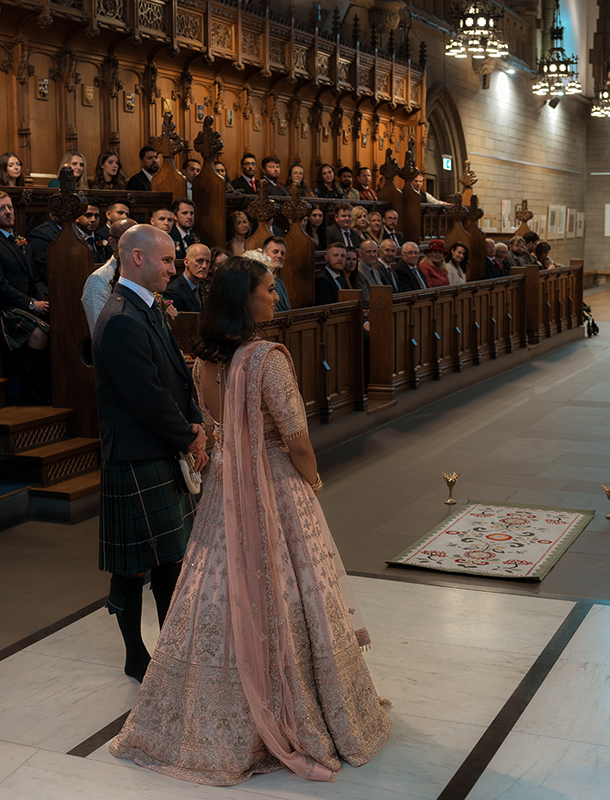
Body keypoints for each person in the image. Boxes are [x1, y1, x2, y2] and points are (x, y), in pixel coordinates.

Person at [108, 255, 392, 784]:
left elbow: (214, 429)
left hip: (225, 487)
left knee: (215, 586)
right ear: (245, 299)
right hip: (274, 484)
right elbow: (297, 436)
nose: (276, 297)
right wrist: (312, 480)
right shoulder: (266, 358)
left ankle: (202, 711)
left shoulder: (203, 362)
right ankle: (304, 706)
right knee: (292, 589)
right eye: (268, 289)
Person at [92, 223, 208, 683]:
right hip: (136, 454)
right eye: (165, 260)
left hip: (156, 445)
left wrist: (194, 417)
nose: (172, 269)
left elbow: (175, 373)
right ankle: (136, 655)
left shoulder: (147, 307)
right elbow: (146, 396)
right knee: (133, 566)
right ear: (137, 258)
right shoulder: (120, 317)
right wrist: (189, 437)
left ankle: (171, 644)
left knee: (167, 559)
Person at [0, 192, 50, 403]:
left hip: (27, 303)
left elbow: (35, 278)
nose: (8, 212)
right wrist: (31, 304)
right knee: (39, 333)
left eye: (10, 207)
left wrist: (45, 300)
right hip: (1, 307)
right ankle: (26, 386)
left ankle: (48, 384)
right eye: (2, 208)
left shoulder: (19, 239)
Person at [82, 218, 138, 335]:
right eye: (129, 241)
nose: (137, 247)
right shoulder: (98, 279)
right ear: (113, 243)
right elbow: (100, 331)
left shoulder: (143, 273)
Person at [164, 242, 210, 314]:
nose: (205, 266)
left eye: (207, 262)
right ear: (186, 262)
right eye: (200, 261)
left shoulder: (200, 287)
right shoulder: (173, 292)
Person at [261, 236, 291, 312]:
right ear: (263, 253)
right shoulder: (259, 282)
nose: (280, 256)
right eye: (275, 252)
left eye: (282, 253)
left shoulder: (280, 282)